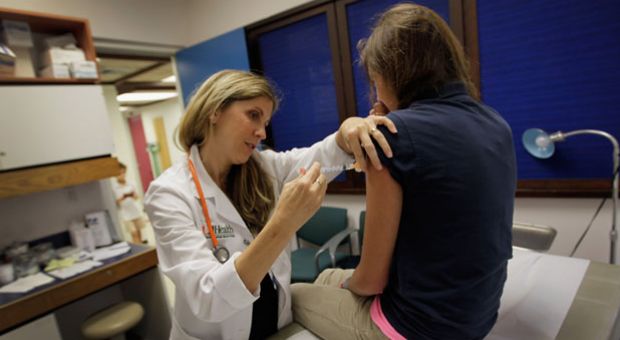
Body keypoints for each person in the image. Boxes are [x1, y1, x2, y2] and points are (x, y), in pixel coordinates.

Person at [291, 3, 517, 340]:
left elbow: (371, 281)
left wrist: (348, 283)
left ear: (390, 74)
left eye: (375, 80)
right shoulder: (496, 124)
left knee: (294, 293)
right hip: (479, 316)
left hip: (417, 329)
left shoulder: (391, 136)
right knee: (327, 278)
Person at [143, 69, 396, 340]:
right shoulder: (169, 194)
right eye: (253, 115)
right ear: (215, 110)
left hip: (275, 323)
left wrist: (346, 133)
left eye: (265, 121)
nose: (262, 132)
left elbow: (322, 156)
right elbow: (209, 297)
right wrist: (284, 224)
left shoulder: (263, 167)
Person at [113, 162, 146, 244]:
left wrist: (133, 195)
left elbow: (137, 197)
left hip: (135, 211)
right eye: (120, 173)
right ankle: (139, 251)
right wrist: (123, 197)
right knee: (133, 233)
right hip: (125, 214)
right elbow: (115, 202)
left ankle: (141, 247)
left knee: (139, 233)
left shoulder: (131, 183)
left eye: (123, 172)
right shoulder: (114, 187)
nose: (122, 175)